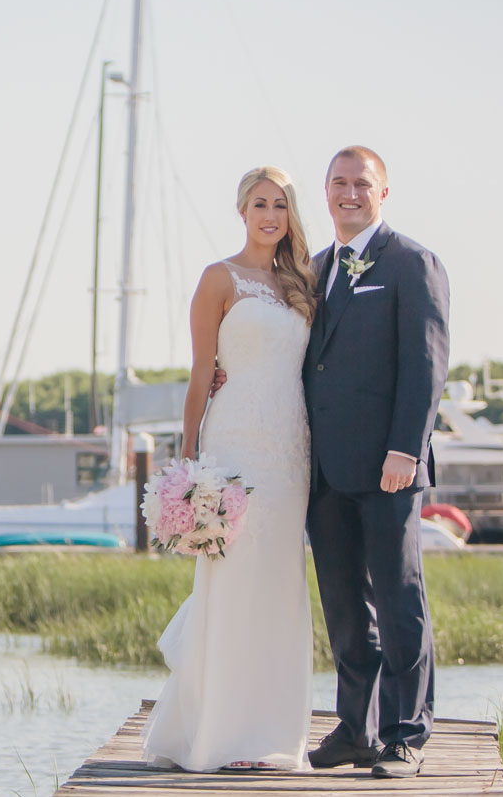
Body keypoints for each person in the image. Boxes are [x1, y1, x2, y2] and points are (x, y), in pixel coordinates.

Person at [141, 165, 319, 773]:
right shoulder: (218, 278)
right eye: (260, 203)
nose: (271, 215)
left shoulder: (304, 282)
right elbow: (200, 375)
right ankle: (217, 735)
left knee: (280, 588)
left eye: (281, 205)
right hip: (235, 445)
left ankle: (270, 735)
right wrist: (189, 460)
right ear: (242, 210)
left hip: (290, 450)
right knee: (233, 582)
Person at [299, 146, 450, 779]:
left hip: (389, 465)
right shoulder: (314, 268)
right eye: (338, 183)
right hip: (325, 471)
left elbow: (426, 363)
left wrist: (404, 449)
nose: (349, 193)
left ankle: (405, 733)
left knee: (397, 597)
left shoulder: (413, 263)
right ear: (326, 191)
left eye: (362, 183)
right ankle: (355, 730)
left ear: (383, 193)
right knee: (341, 603)